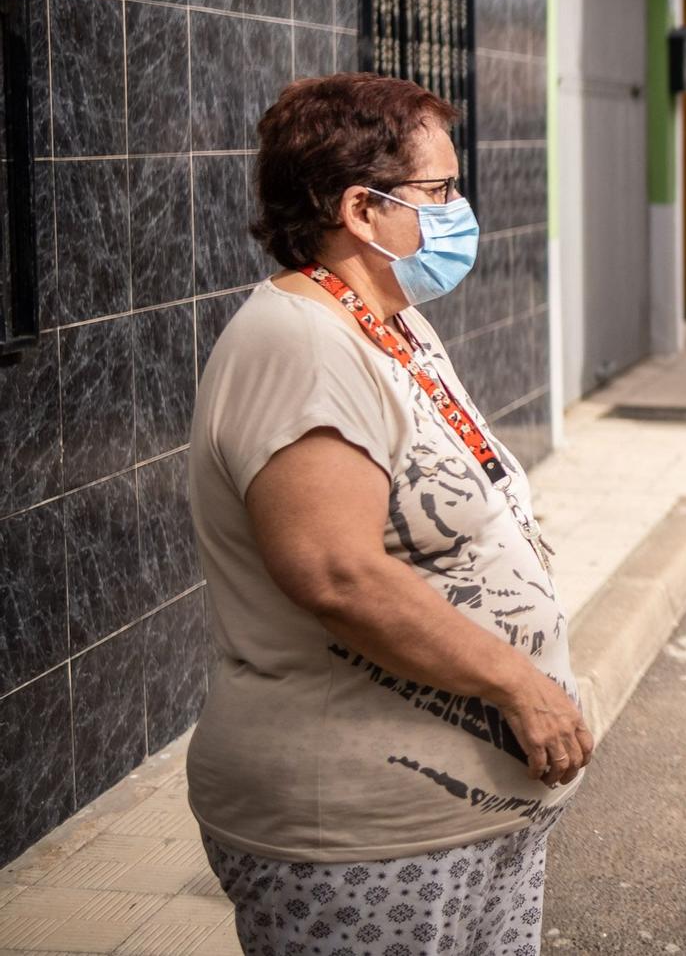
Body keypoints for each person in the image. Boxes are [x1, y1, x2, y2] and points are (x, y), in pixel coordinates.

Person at [187, 73, 591, 956]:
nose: (460, 210)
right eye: (439, 191)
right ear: (360, 211)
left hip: (468, 810)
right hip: (364, 832)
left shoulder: (384, 319)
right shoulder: (300, 345)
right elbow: (335, 571)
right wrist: (520, 684)